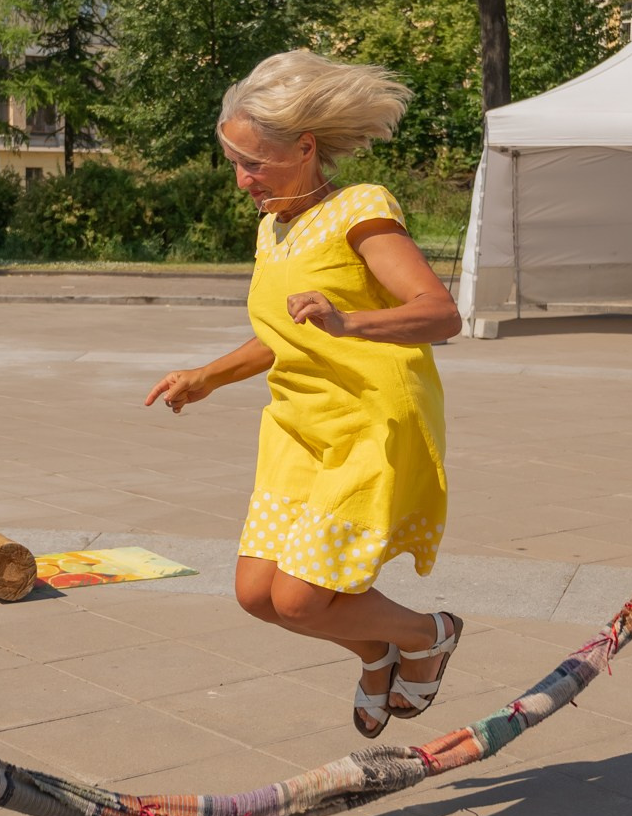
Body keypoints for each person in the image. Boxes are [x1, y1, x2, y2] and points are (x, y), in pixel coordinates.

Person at [146, 50, 463, 737]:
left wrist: (351, 323)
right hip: (298, 429)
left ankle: (429, 634)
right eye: (235, 163)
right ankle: (377, 652)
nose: (243, 180)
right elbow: (286, 334)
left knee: (298, 599)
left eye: (254, 163)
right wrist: (207, 377)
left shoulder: (361, 209)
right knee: (256, 594)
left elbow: (440, 313)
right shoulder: (274, 228)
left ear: (305, 147)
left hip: (368, 427)